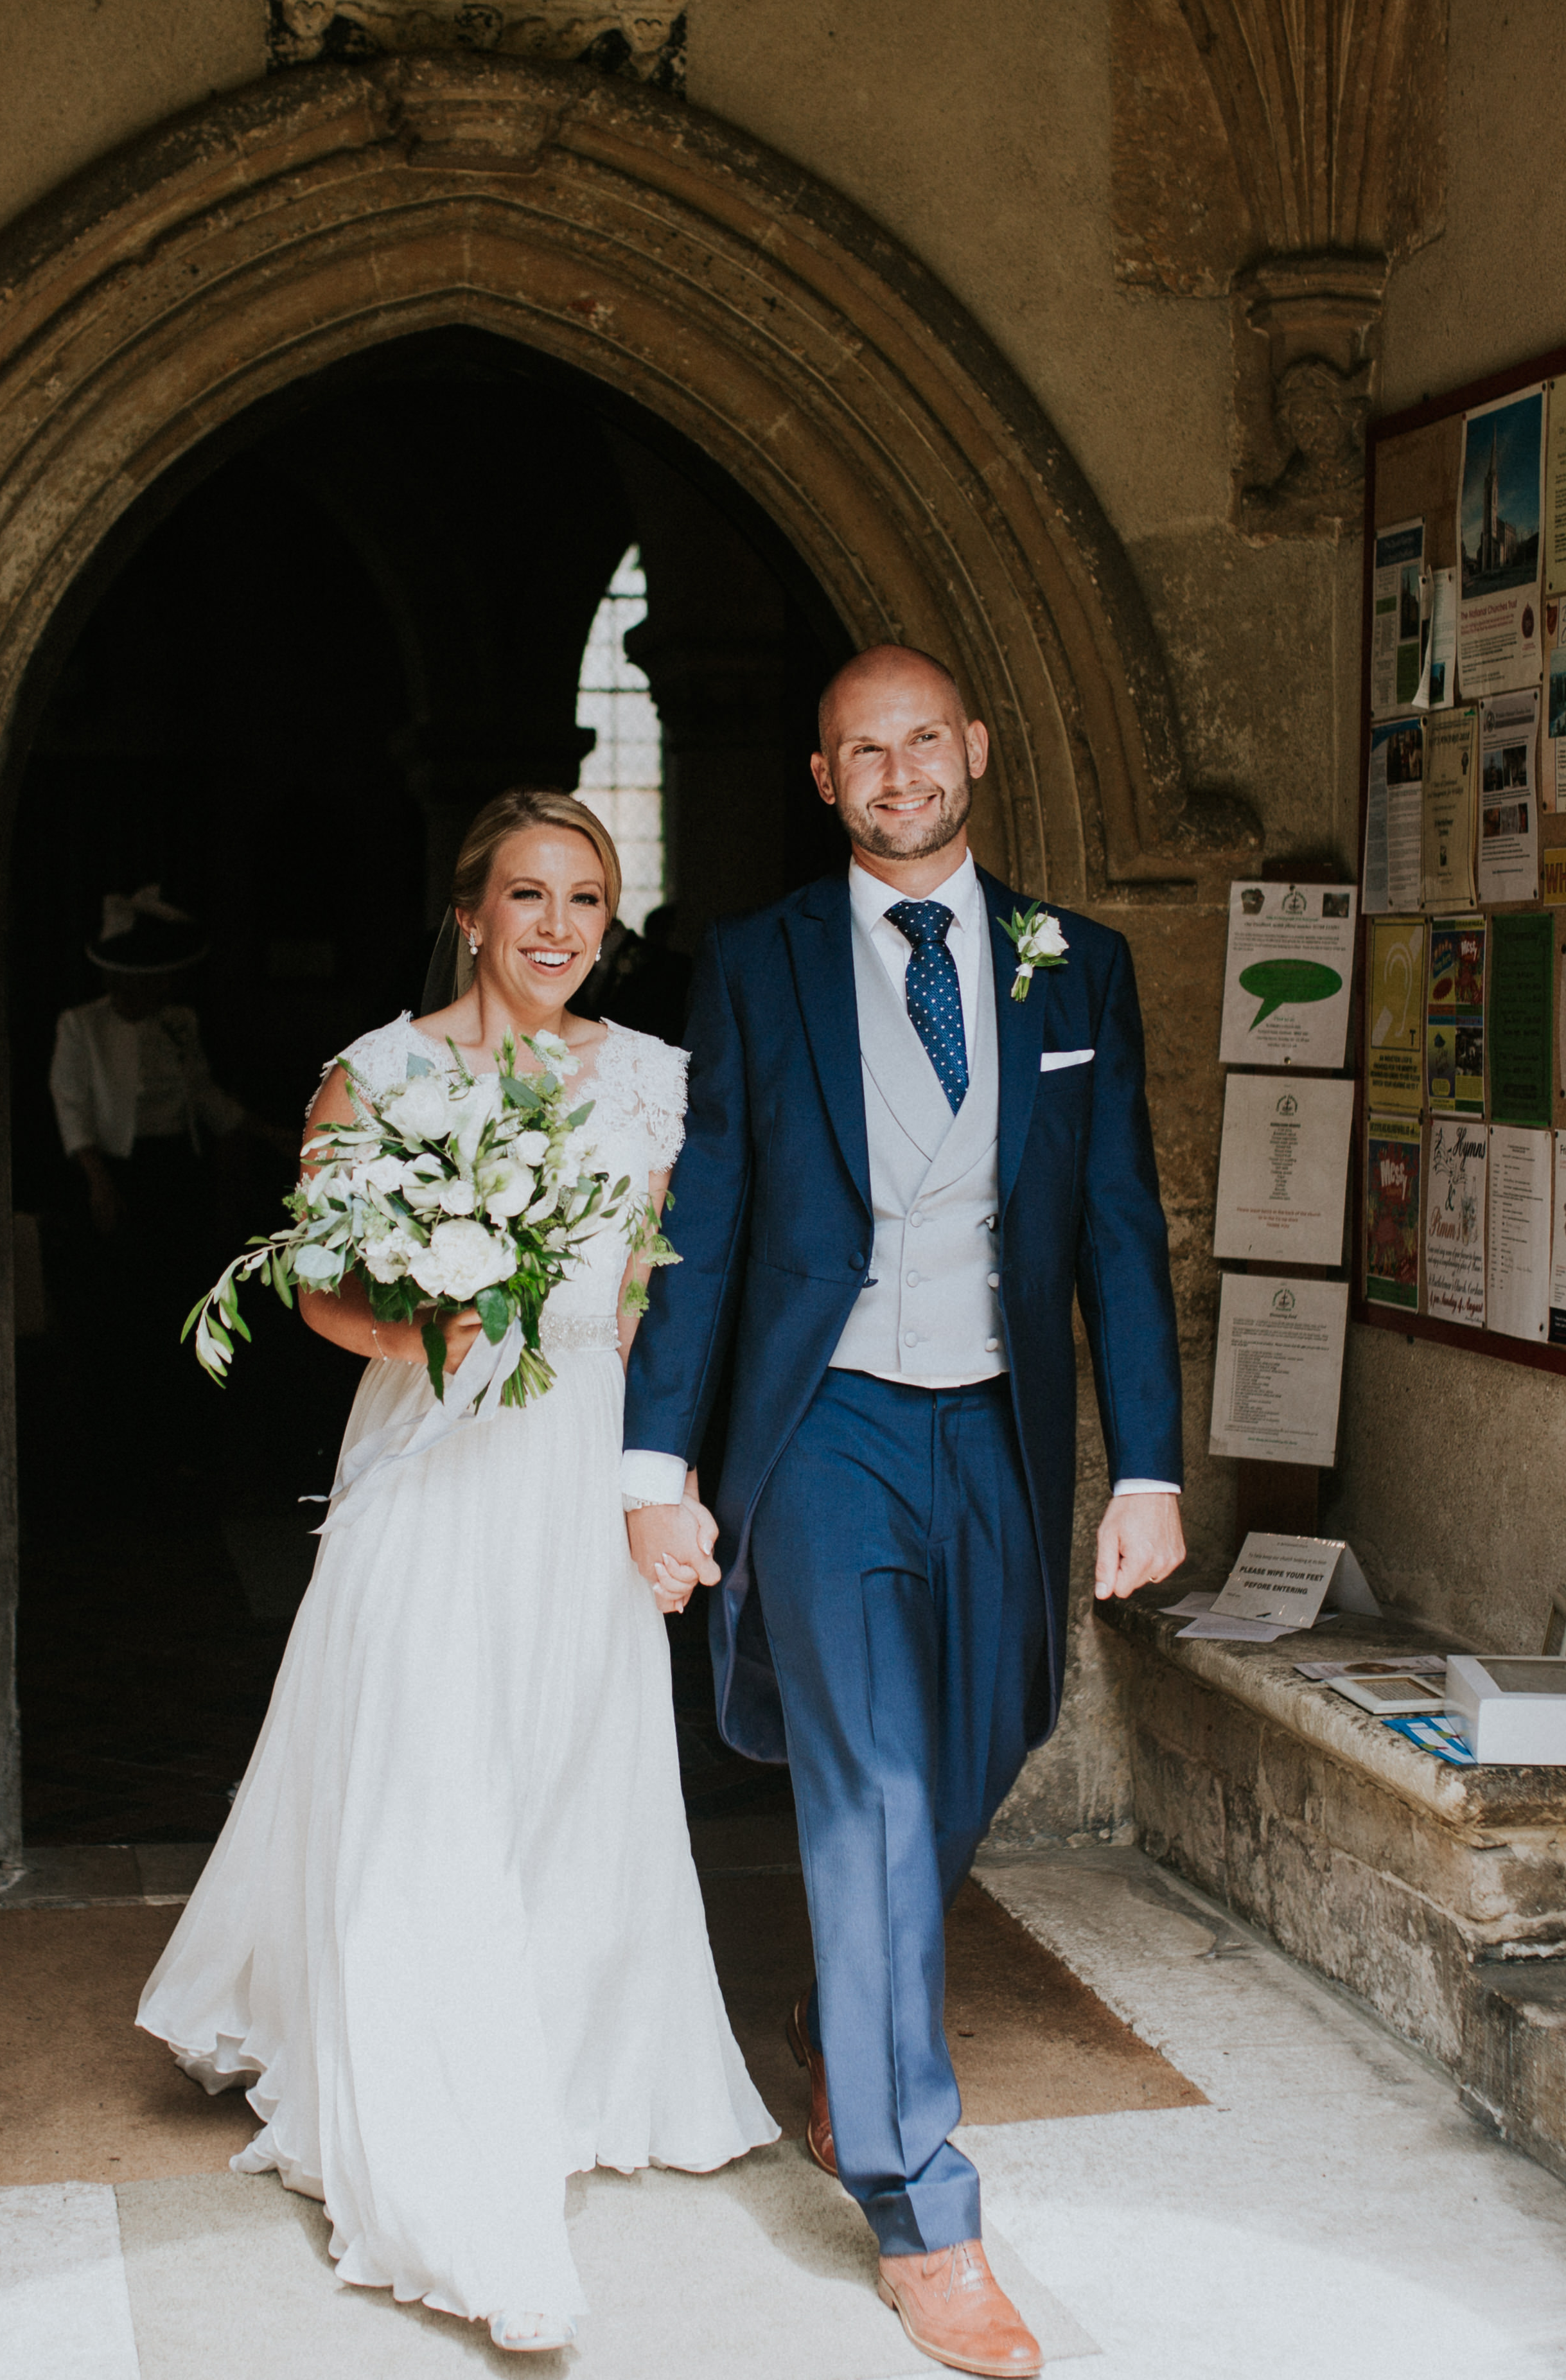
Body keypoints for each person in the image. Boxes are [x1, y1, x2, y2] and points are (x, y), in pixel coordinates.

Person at [136, 789, 776, 2356]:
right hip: (434, 1466)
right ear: (471, 910)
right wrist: (441, 1313)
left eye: (585, 900)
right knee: (429, 1775)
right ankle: (444, 2144)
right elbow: (320, 1293)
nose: (557, 927)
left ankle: (553, 2050)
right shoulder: (378, 1073)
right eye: (527, 895)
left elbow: (662, 1296)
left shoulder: (657, 1083)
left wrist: (667, 1474)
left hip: (583, 1477)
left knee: (561, 1765)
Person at [619, 646, 1186, 2380]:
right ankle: (917, 2208)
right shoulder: (756, 961)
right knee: (868, 1785)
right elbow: (704, 1214)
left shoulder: (1069, 962)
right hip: (825, 1427)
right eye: (859, 751)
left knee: (985, 1727)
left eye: (918, 740)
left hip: (996, 1429)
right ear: (821, 781)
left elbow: (1112, 1228)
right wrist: (656, 1465)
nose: (894, 770)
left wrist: (1147, 1465)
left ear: (974, 753)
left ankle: (835, 2015)